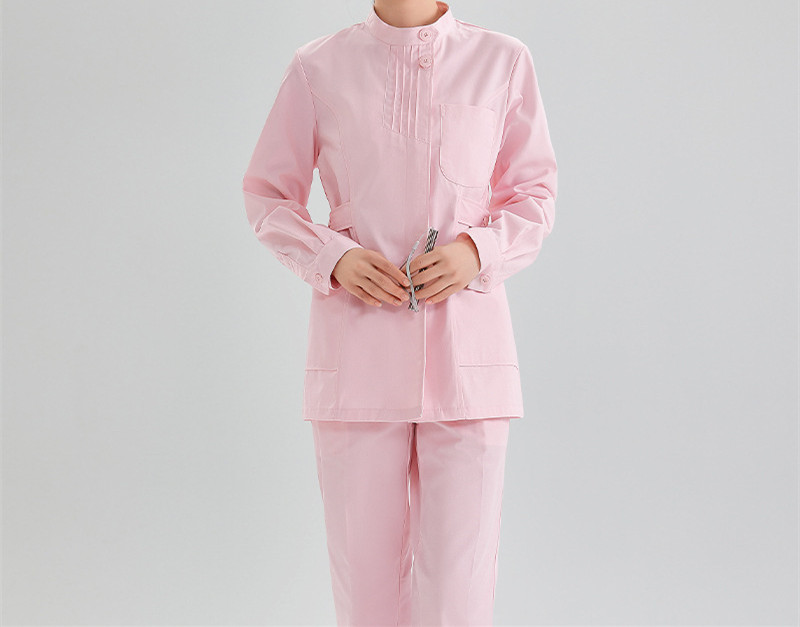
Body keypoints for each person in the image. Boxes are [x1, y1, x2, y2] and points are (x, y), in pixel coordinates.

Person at [242, 0, 557, 623]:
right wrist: (332, 257)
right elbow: (268, 195)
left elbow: (535, 193)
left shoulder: (502, 61)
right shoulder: (318, 66)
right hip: (357, 354)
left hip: (467, 358)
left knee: (461, 590)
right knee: (366, 588)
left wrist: (478, 251)